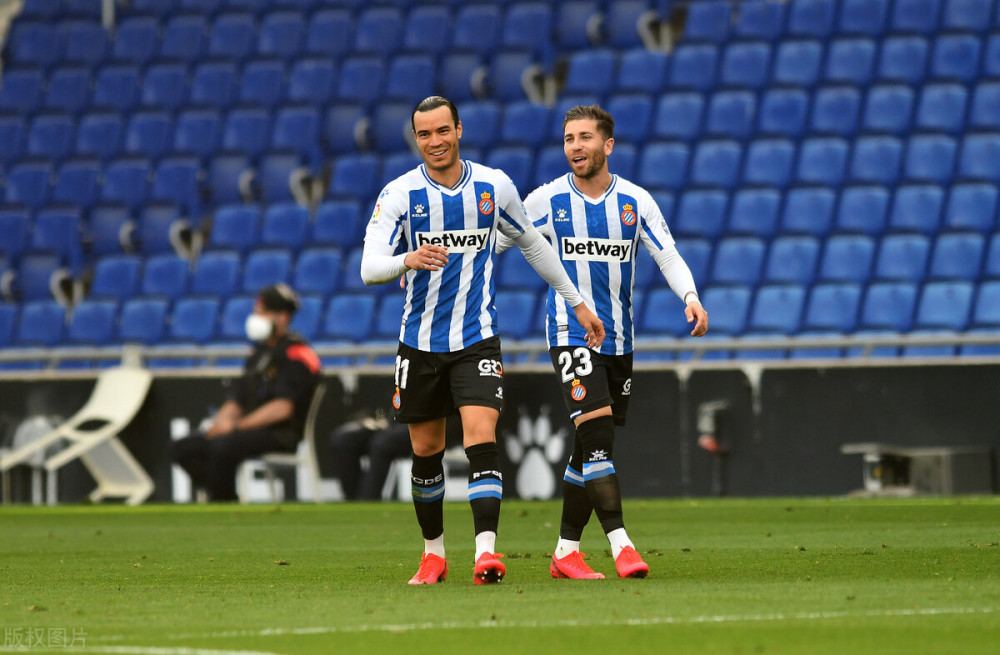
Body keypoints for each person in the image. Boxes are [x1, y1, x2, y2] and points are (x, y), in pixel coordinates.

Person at [360, 95, 606, 585]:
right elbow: (369, 268)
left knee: (481, 435)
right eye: (424, 134)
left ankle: (486, 553)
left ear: (459, 130)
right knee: (426, 450)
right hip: (419, 344)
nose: (434, 141)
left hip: (477, 340)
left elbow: (533, 244)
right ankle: (433, 555)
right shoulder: (399, 194)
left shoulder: (494, 186)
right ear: (416, 138)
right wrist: (407, 259)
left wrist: (577, 301)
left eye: (442, 130)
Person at [498, 104, 709, 580]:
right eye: (568, 138)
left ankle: (565, 552)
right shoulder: (546, 200)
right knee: (596, 435)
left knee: (590, 445)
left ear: (607, 145)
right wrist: (433, 265)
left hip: (618, 341)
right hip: (570, 333)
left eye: (585, 137)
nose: (575, 146)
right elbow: (493, 241)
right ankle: (621, 544)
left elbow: (667, 255)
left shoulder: (635, 201)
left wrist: (690, 297)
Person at [172, 284, 321, 502]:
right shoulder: (258, 353)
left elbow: (283, 408)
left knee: (223, 446)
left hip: (279, 433)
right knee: (184, 447)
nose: (256, 317)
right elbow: (237, 398)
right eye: (256, 312)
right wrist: (220, 423)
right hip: (246, 429)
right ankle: (223, 496)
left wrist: (235, 427)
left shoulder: (297, 355)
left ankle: (221, 503)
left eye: (263, 312)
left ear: (282, 317)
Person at [328, 408, 412, 501]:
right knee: (342, 440)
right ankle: (353, 501)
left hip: (413, 423)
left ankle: (368, 499)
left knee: (382, 443)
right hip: (385, 420)